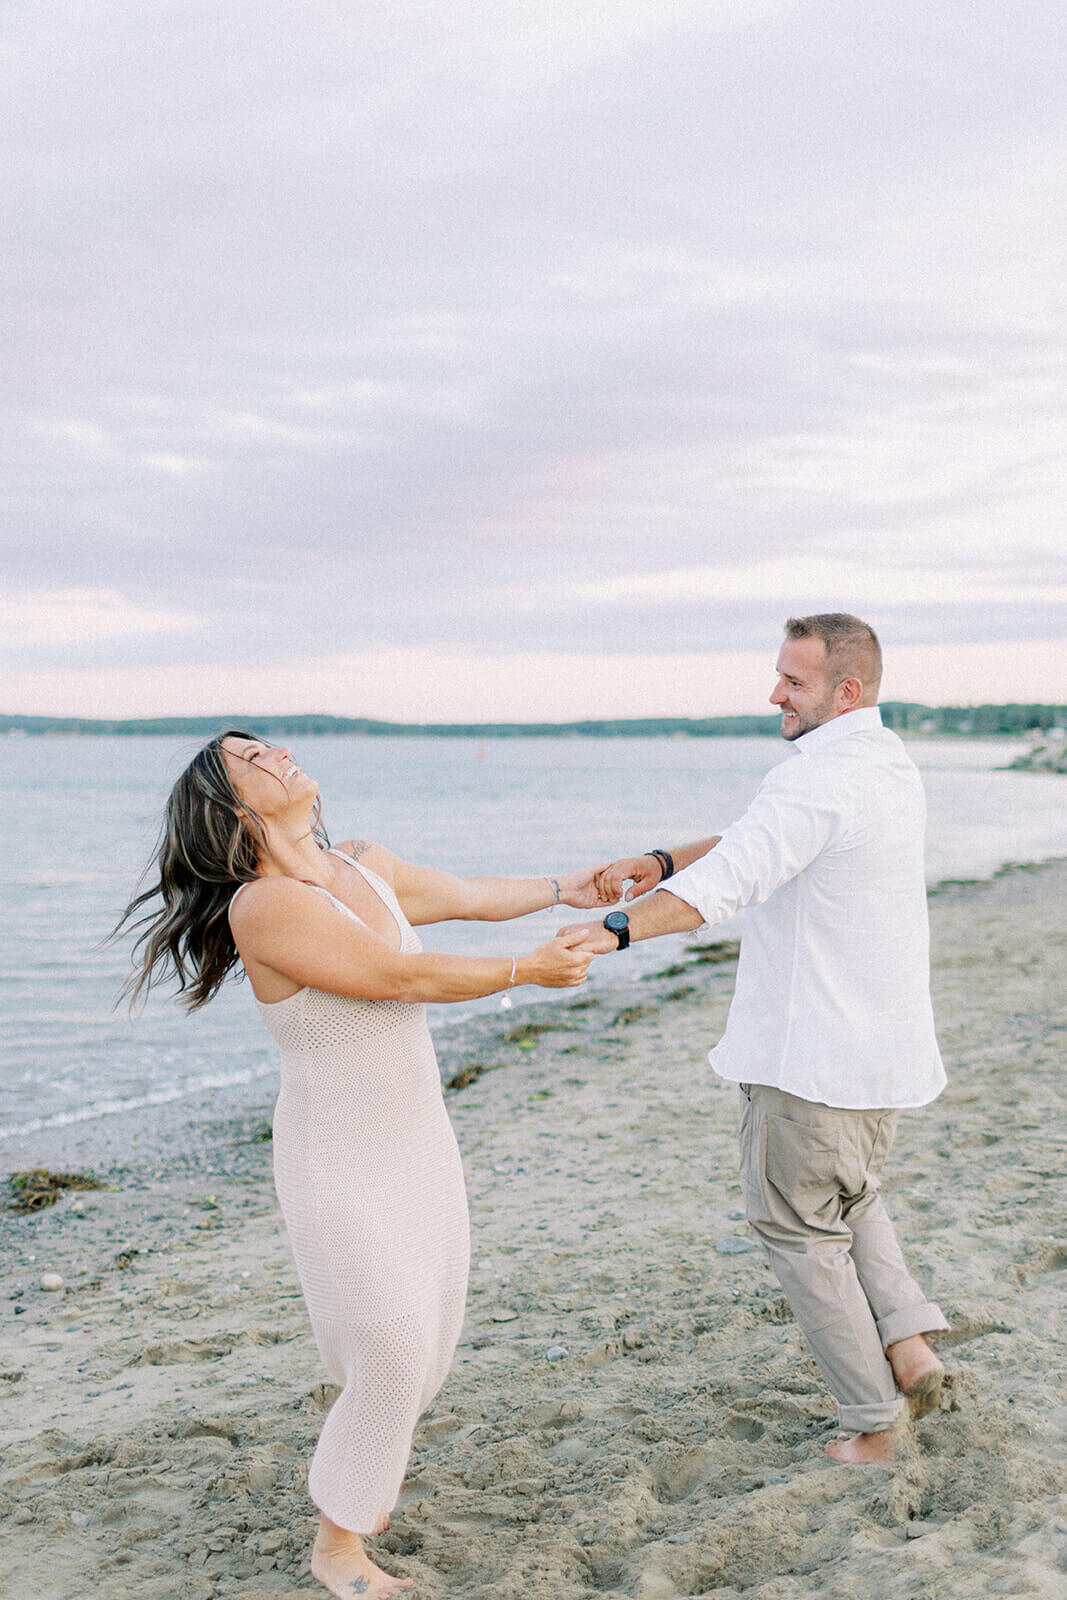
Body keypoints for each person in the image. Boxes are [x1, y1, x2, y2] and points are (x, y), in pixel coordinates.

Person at [118, 730, 606, 1599]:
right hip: (335, 1157)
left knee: (424, 1352)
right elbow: (396, 977)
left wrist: (579, 884)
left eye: (269, 744)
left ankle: (361, 1475)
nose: (278, 756)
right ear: (234, 809)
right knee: (384, 1348)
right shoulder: (261, 906)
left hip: (418, 1142)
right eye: (251, 760)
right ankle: (336, 1548)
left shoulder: (362, 865)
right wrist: (524, 972)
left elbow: (469, 895)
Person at [566, 615, 949, 1464]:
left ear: (845, 691)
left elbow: (734, 881)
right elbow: (758, 846)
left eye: (792, 681)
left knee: (796, 1229)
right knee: (852, 1196)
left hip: (808, 1054)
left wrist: (612, 930)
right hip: (877, 1051)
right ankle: (911, 1346)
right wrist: (664, 859)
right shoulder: (881, 762)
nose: (773, 693)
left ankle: (873, 1425)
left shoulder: (815, 782)